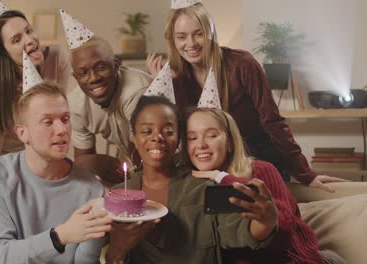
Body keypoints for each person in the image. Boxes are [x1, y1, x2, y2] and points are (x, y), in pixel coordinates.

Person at [146, 1, 346, 191]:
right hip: (210, 160)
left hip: (255, 157)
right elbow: (177, 130)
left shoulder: (241, 64)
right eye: (181, 37)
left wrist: (305, 174)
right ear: (172, 39)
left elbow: (273, 121)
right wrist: (165, 86)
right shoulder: (176, 77)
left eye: (198, 34)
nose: (191, 43)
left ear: (211, 33)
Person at [105, 96, 278, 263]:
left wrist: (265, 221)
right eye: (146, 131)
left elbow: (239, 231)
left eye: (168, 131)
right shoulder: (117, 197)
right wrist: (117, 249)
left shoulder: (204, 187)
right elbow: (109, 257)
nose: (157, 137)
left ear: (178, 140)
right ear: (134, 138)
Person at [0, 81, 112, 264]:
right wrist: (61, 235)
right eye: (48, 122)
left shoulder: (91, 190)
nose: (61, 130)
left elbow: (83, 261)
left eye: (65, 119)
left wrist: (98, 232)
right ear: (22, 133)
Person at [186, 107, 346, 264]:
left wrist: (222, 177)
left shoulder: (260, 169)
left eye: (211, 135)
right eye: (192, 138)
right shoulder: (188, 185)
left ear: (230, 143)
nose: (201, 145)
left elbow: (283, 229)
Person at [0, 9, 71, 166]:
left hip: (45, 163)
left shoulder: (56, 59)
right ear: (4, 55)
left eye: (29, 31)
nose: (29, 40)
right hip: (8, 170)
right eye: (16, 40)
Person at [68, 36, 152, 185]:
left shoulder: (136, 91)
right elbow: (81, 160)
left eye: (101, 67)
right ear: (75, 77)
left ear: (116, 64)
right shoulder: (76, 104)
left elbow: (145, 155)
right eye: (83, 73)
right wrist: (99, 162)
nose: (93, 78)